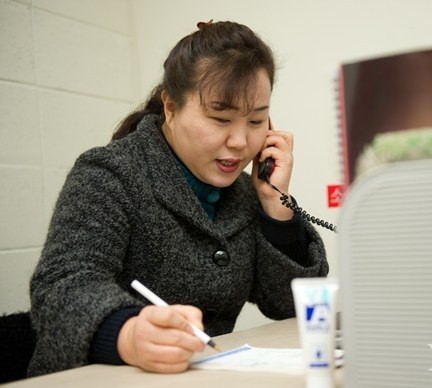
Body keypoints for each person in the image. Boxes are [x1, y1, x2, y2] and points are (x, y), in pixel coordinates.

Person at [28, 20, 329, 377]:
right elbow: (61, 287)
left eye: (256, 121)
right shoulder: (110, 173)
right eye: (220, 118)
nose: (239, 141)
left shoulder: (246, 193)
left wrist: (277, 207)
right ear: (170, 108)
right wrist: (128, 334)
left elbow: (287, 306)